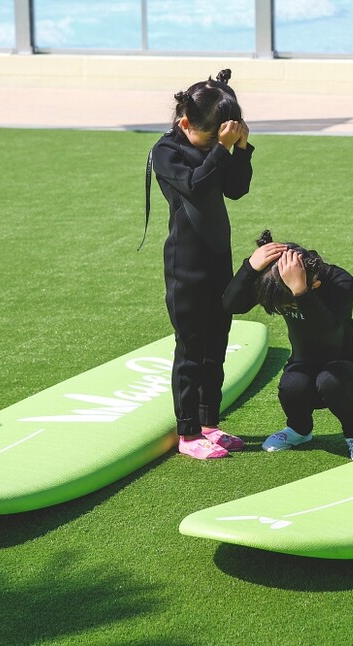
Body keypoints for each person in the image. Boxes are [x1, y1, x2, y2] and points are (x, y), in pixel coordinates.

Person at [150, 69, 254, 460]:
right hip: (186, 266)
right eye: (210, 138)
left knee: (217, 346)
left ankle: (209, 421)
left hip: (217, 259)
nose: (216, 145)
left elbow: (236, 189)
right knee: (192, 350)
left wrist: (240, 150)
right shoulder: (166, 152)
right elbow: (194, 186)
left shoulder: (219, 148)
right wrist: (221, 150)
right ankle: (188, 432)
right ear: (184, 123)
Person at [222, 231, 353, 461]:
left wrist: (301, 292)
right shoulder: (276, 279)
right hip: (303, 363)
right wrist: (250, 267)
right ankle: (299, 431)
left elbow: (330, 331)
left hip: (349, 368)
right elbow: (231, 304)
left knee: (330, 380)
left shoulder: (340, 281)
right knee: (291, 385)